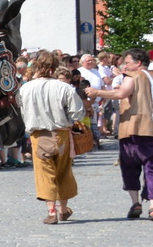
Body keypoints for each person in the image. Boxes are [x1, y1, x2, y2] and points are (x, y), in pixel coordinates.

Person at [20, 51, 85, 224]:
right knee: (63, 171)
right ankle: (63, 210)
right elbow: (77, 112)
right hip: (61, 133)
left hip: (38, 135)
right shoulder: (64, 87)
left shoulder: (25, 88)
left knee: (45, 173)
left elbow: (22, 112)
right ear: (54, 68)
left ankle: (51, 211)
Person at [89, 48, 153, 218]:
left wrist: (97, 92)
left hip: (135, 126)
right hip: (151, 127)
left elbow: (121, 93)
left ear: (138, 63)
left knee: (130, 166)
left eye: (128, 62)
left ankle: (135, 203)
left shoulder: (134, 76)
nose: (125, 66)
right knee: (151, 166)